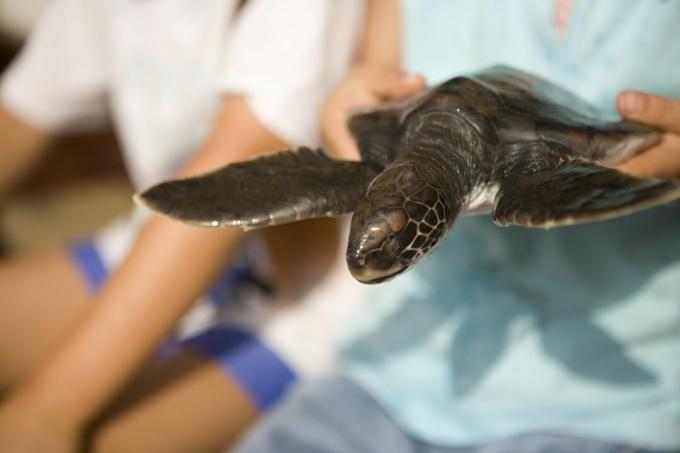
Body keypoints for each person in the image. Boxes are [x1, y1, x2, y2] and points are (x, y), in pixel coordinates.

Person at [233, 0, 680, 452]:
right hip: (392, 368)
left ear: (433, 221)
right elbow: (376, 72)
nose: (369, 263)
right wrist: (354, 97)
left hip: (595, 406)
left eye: (398, 243)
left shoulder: (521, 176)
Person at [0, 0, 365, 451]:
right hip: (151, 247)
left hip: (301, 309)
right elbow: (20, 113)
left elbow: (233, 176)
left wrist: (46, 412)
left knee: (102, 441)